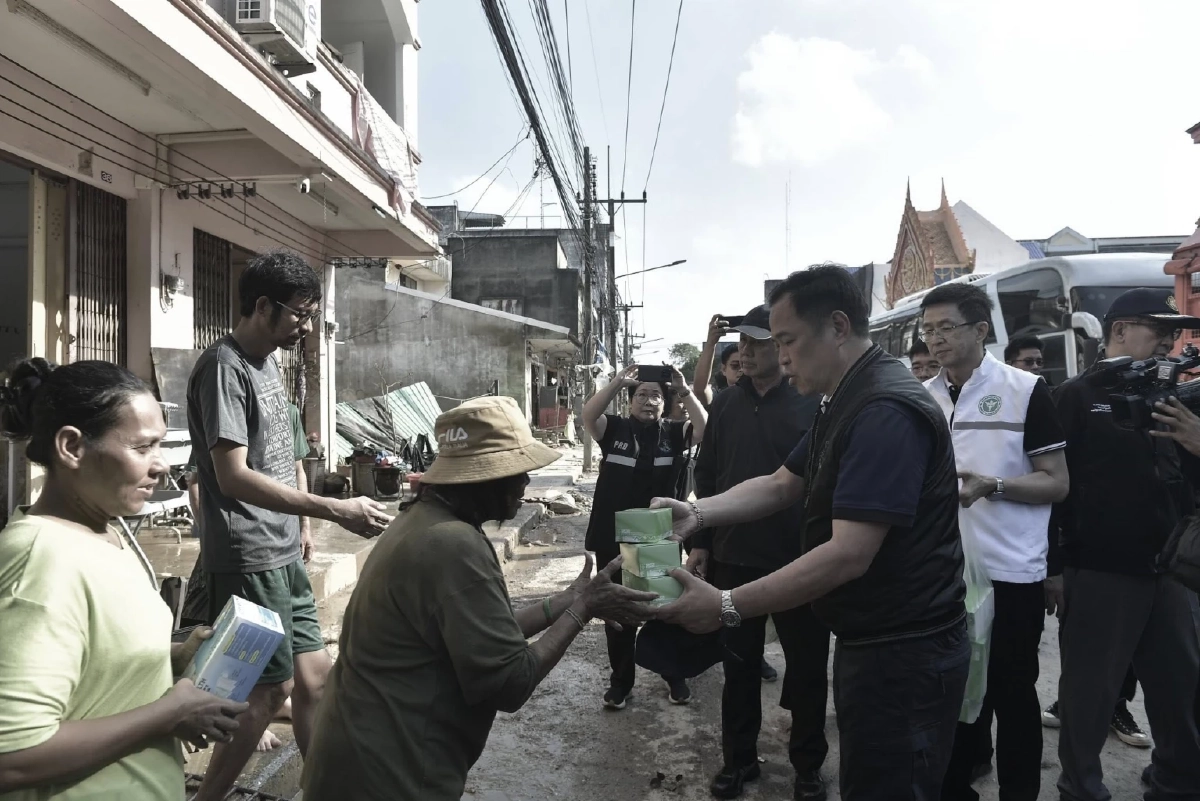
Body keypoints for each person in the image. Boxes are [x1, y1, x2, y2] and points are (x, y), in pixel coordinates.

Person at [653, 265, 968, 801]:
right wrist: (698, 515)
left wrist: (726, 605)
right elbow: (780, 484)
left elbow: (848, 555)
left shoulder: (882, 410)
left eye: (787, 341)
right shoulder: (840, 400)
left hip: (904, 651)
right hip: (872, 639)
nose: (779, 358)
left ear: (838, 327)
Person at [300, 396, 656, 801]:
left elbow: (484, 637)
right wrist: (583, 610)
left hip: (356, 761)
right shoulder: (454, 546)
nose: (525, 484)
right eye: (517, 472)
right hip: (391, 774)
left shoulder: (422, 521)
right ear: (482, 477)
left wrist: (568, 599)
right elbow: (510, 682)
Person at [187, 249, 393, 801]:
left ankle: (320, 787)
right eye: (299, 314)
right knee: (266, 688)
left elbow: (291, 449)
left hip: (283, 548)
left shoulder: (271, 363)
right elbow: (231, 477)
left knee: (316, 679)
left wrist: (301, 523)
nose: (306, 327)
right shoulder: (223, 368)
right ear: (261, 307)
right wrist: (329, 510)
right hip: (247, 554)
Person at [0, 358, 246, 800]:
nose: (162, 466)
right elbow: (12, 757)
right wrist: (169, 714)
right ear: (72, 447)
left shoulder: (106, 531)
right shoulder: (41, 564)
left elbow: (93, 662)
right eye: (142, 448)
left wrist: (172, 657)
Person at [917, 284, 1069, 801]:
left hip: (1010, 573)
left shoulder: (1026, 390)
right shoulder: (924, 397)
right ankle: (957, 788)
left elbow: (1057, 481)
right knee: (955, 692)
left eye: (946, 328)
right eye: (928, 330)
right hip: (944, 574)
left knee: (1011, 692)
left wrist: (995, 485)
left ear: (981, 330)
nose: (935, 340)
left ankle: (1019, 792)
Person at [1051, 288, 1200, 801]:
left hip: (1172, 569)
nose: (1168, 341)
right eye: (1156, 331)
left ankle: (1176, 782)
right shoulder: (1075, 394)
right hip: (1100, 568)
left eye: (1172, 333)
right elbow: (1053, 488)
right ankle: (1082, 788)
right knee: (1088, 695)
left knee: (1181, 689)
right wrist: (1055, 567)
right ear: (1119, 330)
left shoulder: (1174, 395)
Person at [688, 303, 830, 801]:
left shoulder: (813, 404)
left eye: (756, 342)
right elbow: (707, 478)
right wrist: (701, 542)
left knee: (809, 670)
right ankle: (739, 760)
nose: (744, 351)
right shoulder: (726, 404)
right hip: (734, 558)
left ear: (781, 346)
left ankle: (808, 767)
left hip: (800, 560)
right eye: (741, 343)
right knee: (738, 669)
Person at [583, 362, 707, 708]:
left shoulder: (673, 432)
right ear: (630, 401)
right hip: (613, 530)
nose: (648, 400)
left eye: (655, 395)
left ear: (665, 404)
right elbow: (588, 415)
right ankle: (621, 682)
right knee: (619, 608)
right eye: (641, 394)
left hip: (656, 530)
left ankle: (673, 673)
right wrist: (616, 382)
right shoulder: (614, 428)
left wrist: (684, 390)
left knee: (665, 604)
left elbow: (704, 428)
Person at [693, 314, 744, 407]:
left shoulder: (764, 394)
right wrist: (711, 343)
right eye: (735, 366)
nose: (741, 370)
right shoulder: (719, 398)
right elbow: (700, 390)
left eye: (745, 365)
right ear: (724, 369)